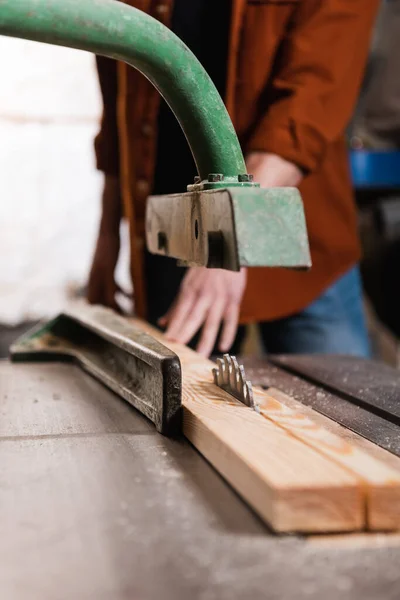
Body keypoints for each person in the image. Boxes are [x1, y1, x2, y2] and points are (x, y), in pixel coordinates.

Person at [88, 0, 379, 358]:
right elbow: (119, 94)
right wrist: (107, 236)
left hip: (295, 234)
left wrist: (226, 237)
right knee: (181, 402)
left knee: (341, 405)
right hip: (175, 236)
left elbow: (310, 103)